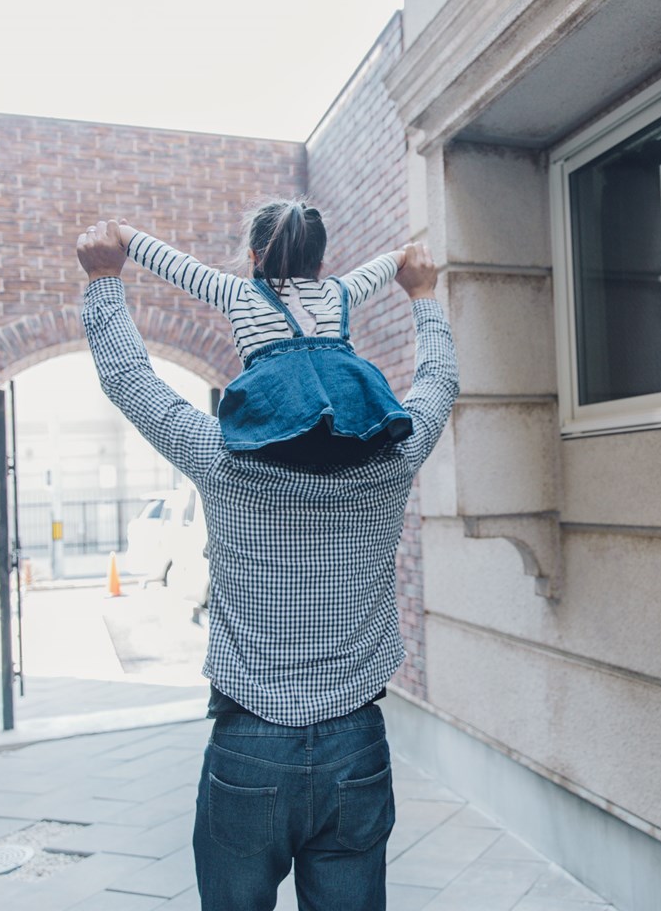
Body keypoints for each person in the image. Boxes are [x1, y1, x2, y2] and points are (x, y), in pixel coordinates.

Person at [75, 218, 458, 911]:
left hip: (248, 744)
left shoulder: (220, 460)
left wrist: (105, 281)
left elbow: (131, 379)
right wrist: (423, 294)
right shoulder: (396, 459)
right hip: (356, 743)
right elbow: (439, 380)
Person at [118, 200, 413, 465]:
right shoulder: (337, 292)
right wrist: (404, 255)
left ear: (253, 257)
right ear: (320, 264)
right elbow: (381, 268)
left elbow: (179, 266)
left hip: (276, 418)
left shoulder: (235, 292)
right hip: (345, 418)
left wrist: (125, 237)